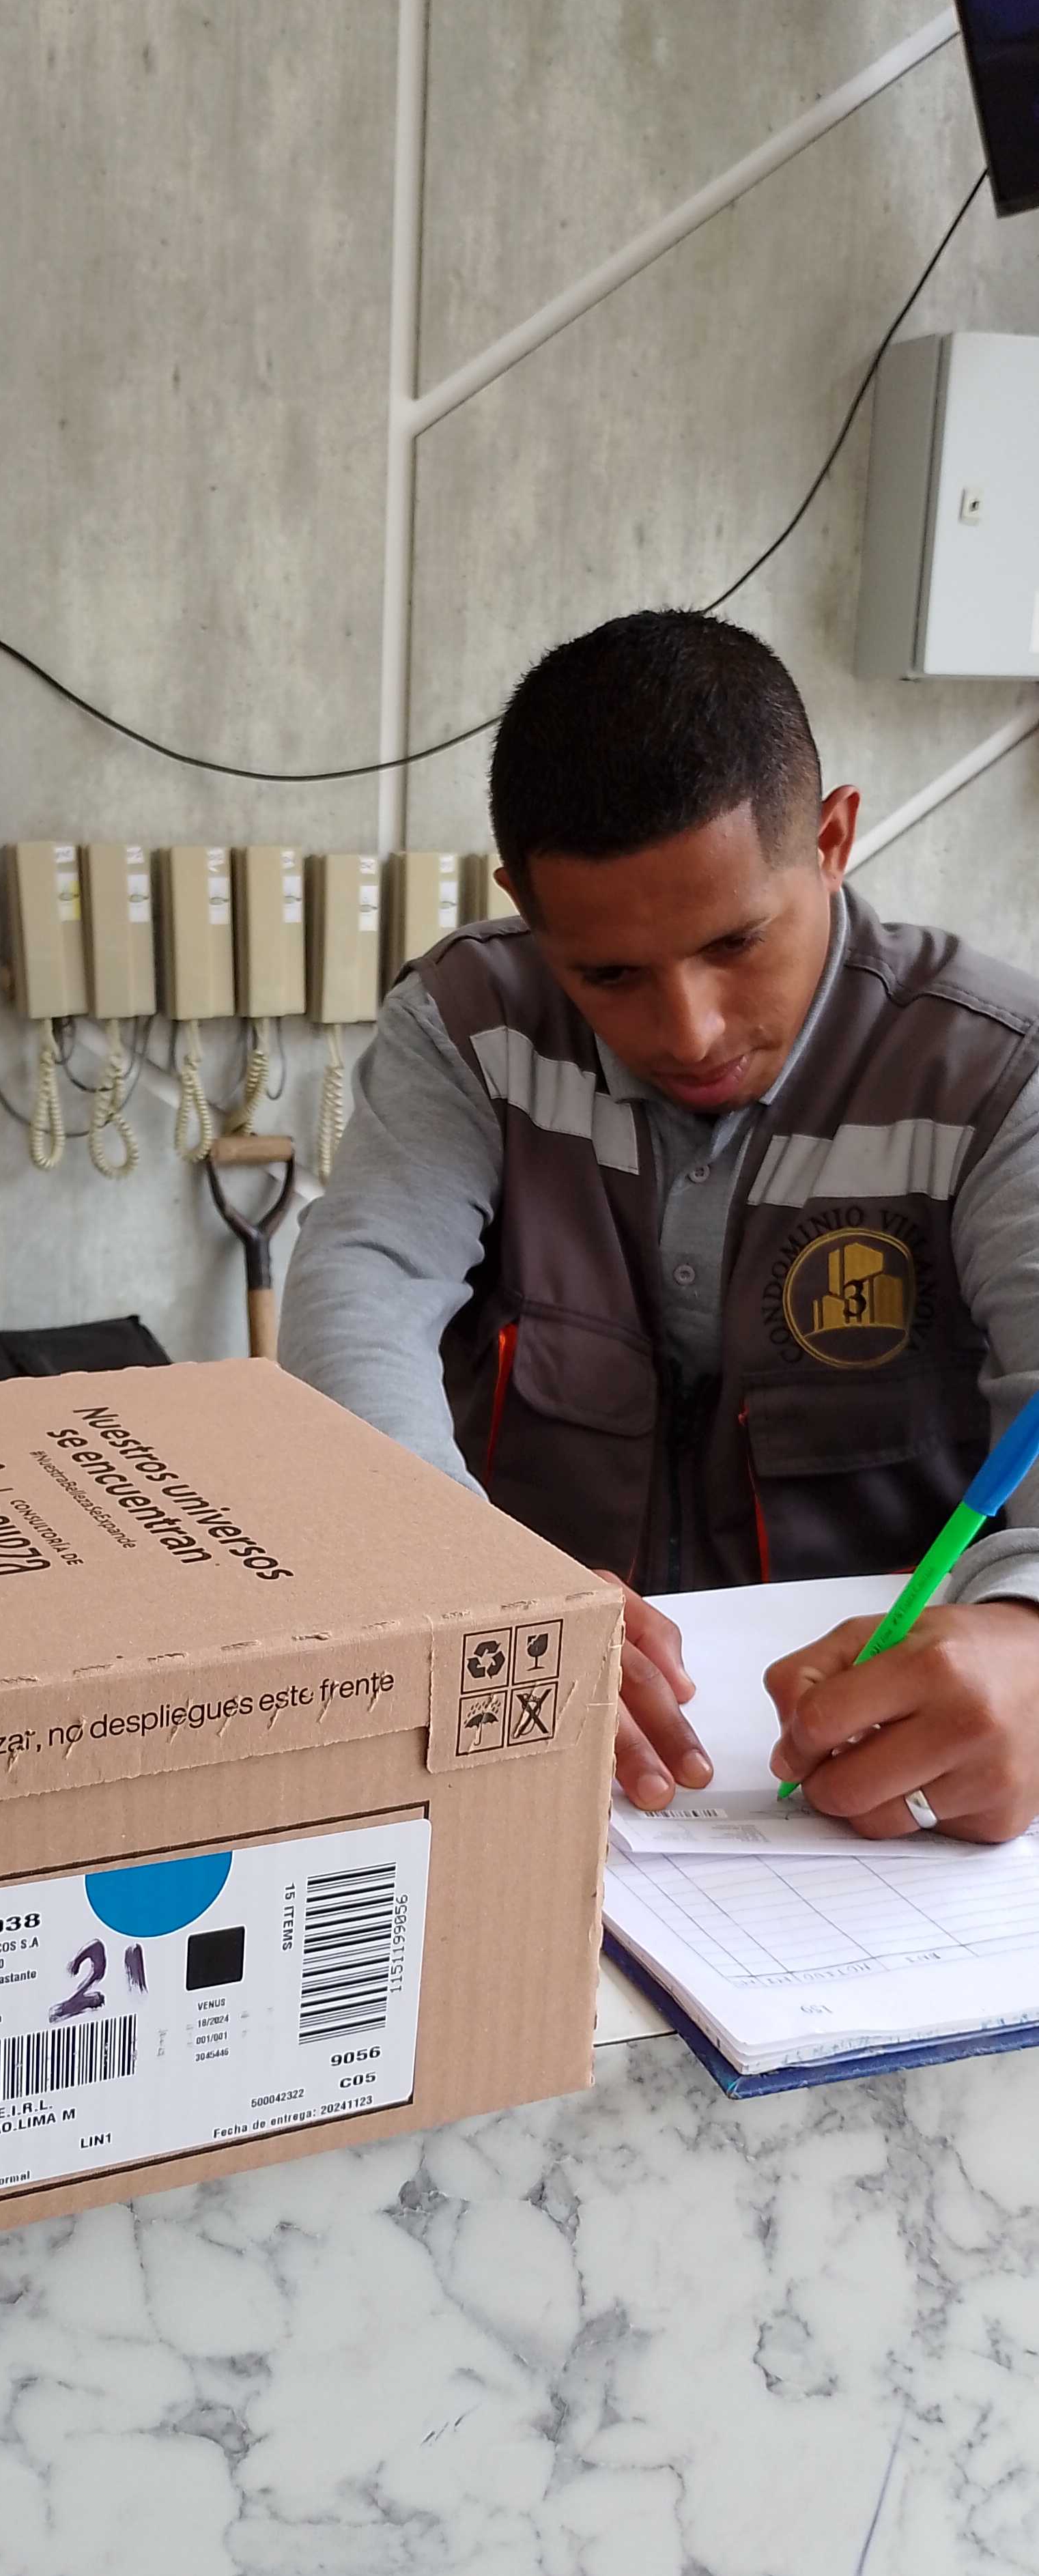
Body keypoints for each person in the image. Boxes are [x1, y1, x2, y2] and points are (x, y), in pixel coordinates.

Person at [280, 610, 1039, 1846]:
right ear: (524, 906)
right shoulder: (470, 1027)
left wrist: (1026, 1636)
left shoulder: (999, 1078)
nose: (689, 1031)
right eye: (609, 976)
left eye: (736, 943)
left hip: (876, 1788)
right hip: (527, 1740)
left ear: (833, 839)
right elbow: (359, 1289)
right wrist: (463, 1577)